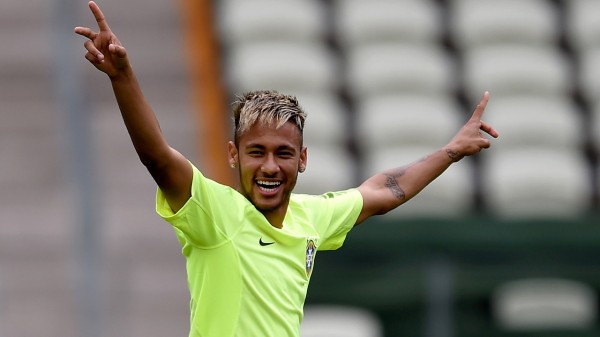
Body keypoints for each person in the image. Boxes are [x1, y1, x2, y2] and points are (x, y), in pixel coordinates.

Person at [75, 1, 499, 336]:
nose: (270, 166)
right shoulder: (215, 215)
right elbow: (158, 157)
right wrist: (123, 77)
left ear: (303, 159)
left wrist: (450, 151)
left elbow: (388, 189)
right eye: (256, 151)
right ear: (233, 154)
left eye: (282, 153)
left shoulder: (313, 216)